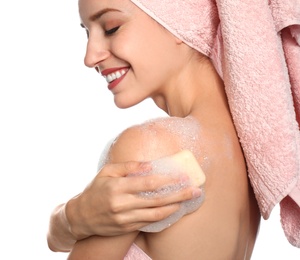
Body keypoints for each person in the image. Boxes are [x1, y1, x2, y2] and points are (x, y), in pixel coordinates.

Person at [48, 0, 300, 258]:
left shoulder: (150, 147)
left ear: (180, 22)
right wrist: (64, 222)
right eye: (87, 33)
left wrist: (66, 221)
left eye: (111, 28)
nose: (90, 57)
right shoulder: (243, 153)